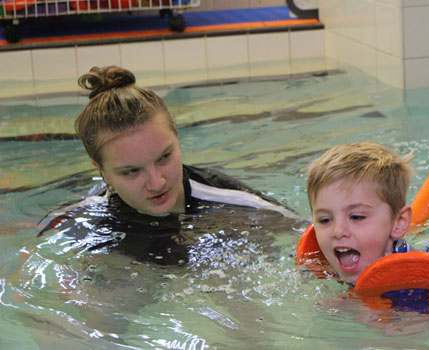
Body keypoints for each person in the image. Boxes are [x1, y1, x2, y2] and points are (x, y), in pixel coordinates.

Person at [38, 65, 299, 264]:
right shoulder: (75, 221)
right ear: (102, 171)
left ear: (178, 138)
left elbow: (307, 234)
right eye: (131, 171)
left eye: (164, 157)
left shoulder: (235, 203)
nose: (157, 182)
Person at [306, 142, 413, 283]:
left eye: (356, 217)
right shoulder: (317, 270)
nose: (338, 231)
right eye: (325, 220)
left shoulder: (414, 281)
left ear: (399, 222)